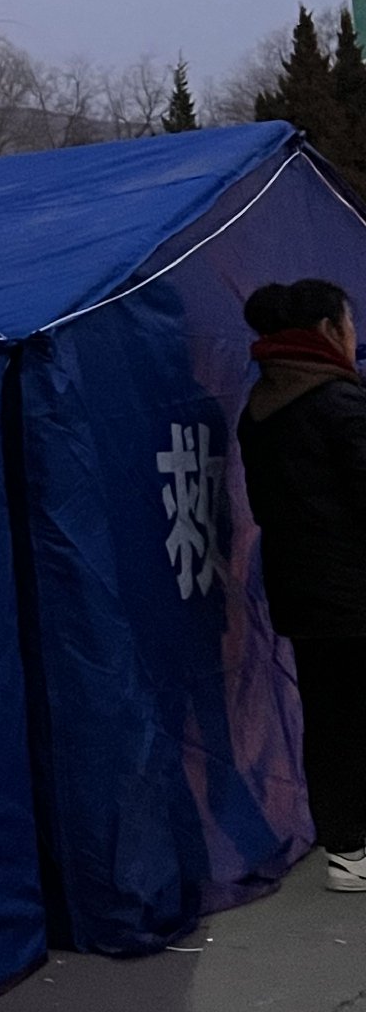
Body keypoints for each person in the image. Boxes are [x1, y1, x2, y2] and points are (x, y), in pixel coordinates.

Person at [238, 277, 366, 892]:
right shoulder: (338, 404)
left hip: (302, 591)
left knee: (331, 718)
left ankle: (348, 851)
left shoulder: (260, 407)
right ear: (328, 330)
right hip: (353, 590)